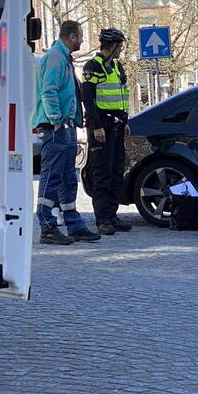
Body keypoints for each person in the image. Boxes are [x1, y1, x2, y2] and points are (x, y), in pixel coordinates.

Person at [32, 20, 101, 245]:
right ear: (71, 36)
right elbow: (48, 91)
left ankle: (74, 224)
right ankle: (47, 226)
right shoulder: (55, 57)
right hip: (56, 128)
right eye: (80, 36)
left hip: (65, 126)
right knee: (52, 176)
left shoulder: (63, 59)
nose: (81, 41)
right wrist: (57, 120)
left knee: (68, 178)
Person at [82, 28, 132, 236]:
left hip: (117, 125)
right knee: (101, 173)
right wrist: (96, 126)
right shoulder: (93, 66)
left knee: (115, 172)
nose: (121, 50)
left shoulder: (117, 66)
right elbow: (88, 98)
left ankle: (112, 215)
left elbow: (121, 94)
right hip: (102, 126)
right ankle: (102, 219)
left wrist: (125, 120)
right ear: (111, 46)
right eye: (119, 46)